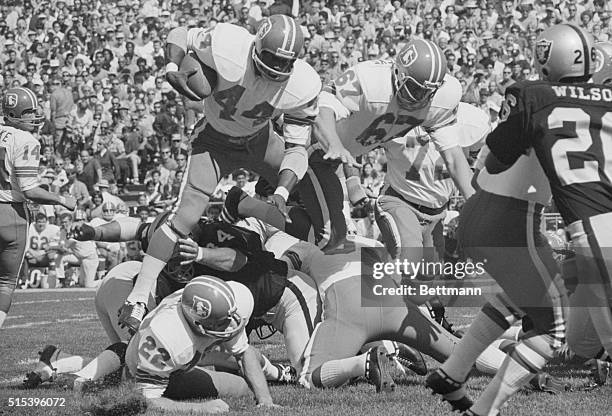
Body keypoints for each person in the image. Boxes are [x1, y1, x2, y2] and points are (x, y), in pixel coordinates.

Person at [427, 24, 603, 416]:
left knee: (522, 297)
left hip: (479, 211)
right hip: (513, 220)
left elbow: (486, 163)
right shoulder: (572, 104)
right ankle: (484, 409)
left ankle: (452, 373)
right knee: (553, 327)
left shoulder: (528, 96)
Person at [121, 15, 321, 333]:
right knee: (184, 216)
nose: (276, 67)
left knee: (311, 193)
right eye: (270, 57)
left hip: (259, 140)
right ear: (256, 46)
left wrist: (282, 192)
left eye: (284, 62)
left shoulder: (302, 84)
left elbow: (297, 149)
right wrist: (172, 68)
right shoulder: (228, 44)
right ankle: (139, 296)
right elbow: (180, 32)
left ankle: (330, 273)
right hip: (214, 140)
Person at [0, 87, 76, 328]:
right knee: (5, 282)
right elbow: (30, 190)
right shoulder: (26, 140)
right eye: (28, 113)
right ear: (13, 114)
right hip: (12, 213)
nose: (34, 117)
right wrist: (62, 200)